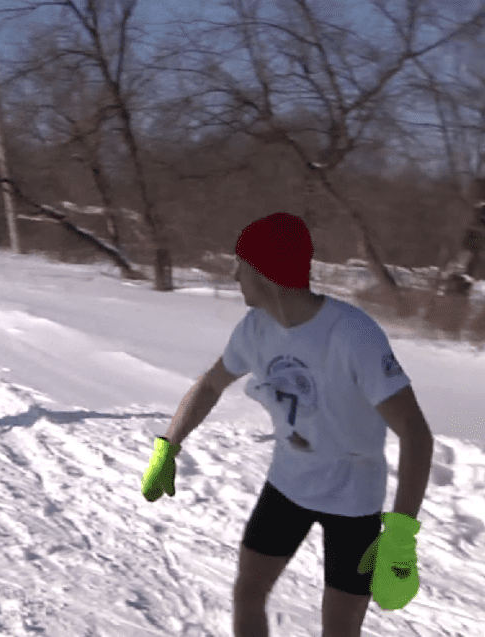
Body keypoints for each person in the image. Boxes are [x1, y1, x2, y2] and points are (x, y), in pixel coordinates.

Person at [141, 212, 434, 637]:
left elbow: (415, 433)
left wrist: (402, 532)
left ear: (264, 272)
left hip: (353, 501)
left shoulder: (353, 335)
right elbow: (209, 385)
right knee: (248, 593)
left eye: (240, 263)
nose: (234, 273)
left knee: (339, 628)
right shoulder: (254, 330)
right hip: (287, 486)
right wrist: (169, 444)